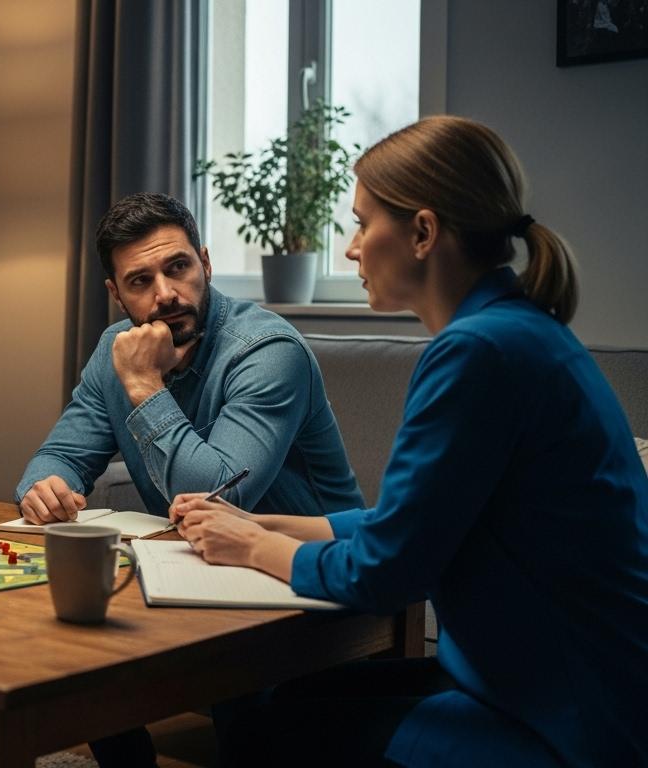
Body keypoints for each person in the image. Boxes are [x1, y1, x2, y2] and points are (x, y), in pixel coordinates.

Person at [171, 116, 648, 767]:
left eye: (364, 223)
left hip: (564, 719)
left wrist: (254, 546)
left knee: (266, 733)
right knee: (283, 703)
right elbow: (424, 521)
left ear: (423, 232)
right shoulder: (516, 331)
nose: (350, 247)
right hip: (573, 688)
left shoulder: (478, 352)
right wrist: (266, 523)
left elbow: (389, 571)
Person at [16, 192, 364, 767]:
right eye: (140, 280)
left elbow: (222, 494)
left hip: (305, 582)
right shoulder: (116, 349)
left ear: (204, 262)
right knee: (72, 629)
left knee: (241, 697)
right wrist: (44, 487)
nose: (165, 294)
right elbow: (59, 455)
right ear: (115, 293)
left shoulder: (267, 350)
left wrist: (145, 387)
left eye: (177, 267)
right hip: (200, 567)